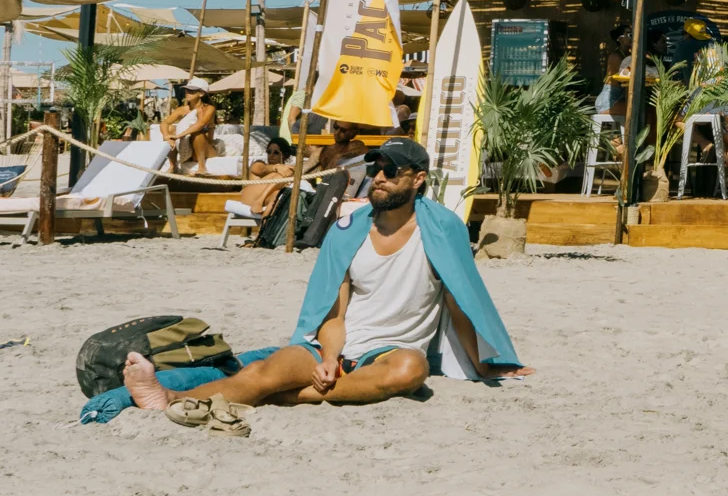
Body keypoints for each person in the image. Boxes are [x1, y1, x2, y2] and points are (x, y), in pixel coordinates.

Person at [122, 138, 530, 415]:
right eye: (377, 168)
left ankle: (295, 397)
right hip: (334, 347)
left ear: (418, 179)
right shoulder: (348, 230)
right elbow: (334, 313)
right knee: (263, 373)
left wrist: (487, 365)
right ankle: (168, 396)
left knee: (411, 370)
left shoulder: (441, 229)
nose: (380, 177)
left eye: (392, 171)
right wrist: (331, 358)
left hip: (387, 355)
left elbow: (461, 300)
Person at [162, 79, 220, 174]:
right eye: (187, 90)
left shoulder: (209, 109)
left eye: (191, 91)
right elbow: (165, 123)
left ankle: (202, 167)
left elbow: (200, 125)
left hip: (206, 149)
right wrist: (166, 136)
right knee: (170, 130)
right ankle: (173, 166)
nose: (187, 93)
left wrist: (178, 136)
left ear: (201, 93)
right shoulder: (182, 110)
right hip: (187, 148)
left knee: (197, 133)